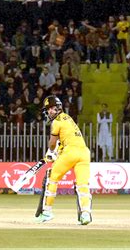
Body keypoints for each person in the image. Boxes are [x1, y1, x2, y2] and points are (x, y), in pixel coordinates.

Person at [37, 96, 92, 225]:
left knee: (52, 178)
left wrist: (51, 152)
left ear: (53, 109)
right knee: (82, 184)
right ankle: (85, 214)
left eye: (48, 109)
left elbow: (52, 143)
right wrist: (58, 151)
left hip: (70, 152)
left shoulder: (56, 122)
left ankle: (47, 212)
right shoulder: (68, 118)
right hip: (84, 153)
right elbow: (67, 139)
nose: (48, 113)